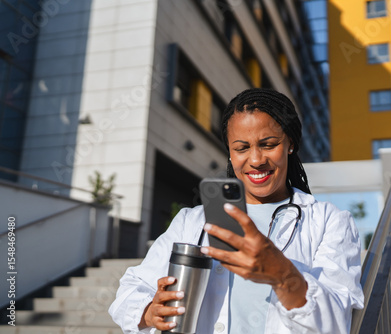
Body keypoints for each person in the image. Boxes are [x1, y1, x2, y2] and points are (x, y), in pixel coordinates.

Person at [109, 88, 364, 333]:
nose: (255, 160)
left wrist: (282, 273)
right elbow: (131, 290)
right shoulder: (192, 221)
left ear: (290, 144)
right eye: (241, 148)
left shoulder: (329, 222)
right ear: (230, 153)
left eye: (268, 144)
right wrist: (148, 312)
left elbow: (337, 322)